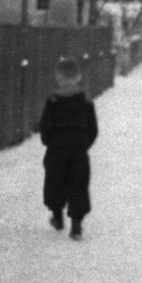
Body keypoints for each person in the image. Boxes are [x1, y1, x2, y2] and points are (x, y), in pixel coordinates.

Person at [39, 57, 98, 241]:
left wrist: (48, 141)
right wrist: (84, 143)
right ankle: (77, 225)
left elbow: (45, 125)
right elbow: (93, 128)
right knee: (78, 183)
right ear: (78, 77)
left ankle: (57, 216)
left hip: (57, 146)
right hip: (78, 147)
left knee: (55, 180)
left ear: (58, 78)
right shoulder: (86, 101)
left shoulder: (53, 100)